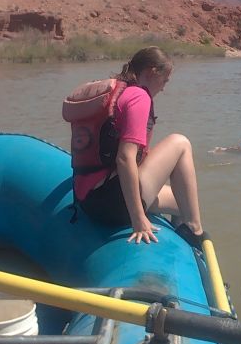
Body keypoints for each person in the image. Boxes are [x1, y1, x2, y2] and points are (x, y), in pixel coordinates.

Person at [75, 46, 206, 248]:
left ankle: (187, 241)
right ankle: (196, 233)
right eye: (165, 80)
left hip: (88, 201)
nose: (164, 88)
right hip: (112, 204)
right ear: (152, 72)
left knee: (184, 202)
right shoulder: (139, 97)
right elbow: (124, 158)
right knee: (180, 142)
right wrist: (138, 219)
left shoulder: (117, 92)